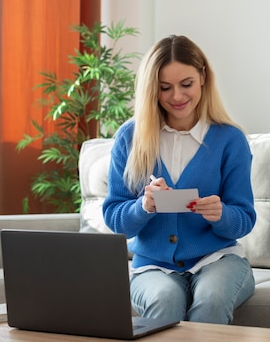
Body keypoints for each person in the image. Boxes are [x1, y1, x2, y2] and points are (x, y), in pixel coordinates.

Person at [102, 35, 257, 325]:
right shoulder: (130, 138)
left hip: (218, 260)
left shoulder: (230, 140)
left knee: (212, 298)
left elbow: (245, 218)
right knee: (164, 299)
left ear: (202, 78)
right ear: (152, 89)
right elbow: (114, 218)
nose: (177, 96)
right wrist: (143, 206)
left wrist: (221, 214)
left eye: (186, 84)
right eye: (165, 88)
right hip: (152, 268)